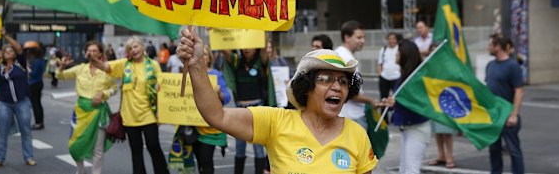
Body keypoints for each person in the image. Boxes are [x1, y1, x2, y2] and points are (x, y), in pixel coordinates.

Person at [177, 26, 378, 173]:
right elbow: (216, 116)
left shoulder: (357, 135)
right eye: (325, 79)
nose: (336, 86)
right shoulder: (276, 121)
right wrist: (196, 66)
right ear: (307, 87)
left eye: (343, 81)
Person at [90, 36, 169, 174]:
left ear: (142, 47)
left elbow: (163, 87)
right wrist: (92, 59)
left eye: (136, 46)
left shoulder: (153, 65)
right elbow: (105, 66)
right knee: (136, 152)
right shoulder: (124, 64)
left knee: (153, 146)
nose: (133, 50)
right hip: (129, 117)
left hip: (149, 114)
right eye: (130, 48)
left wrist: (160, 95)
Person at [56, 41, 117, 174]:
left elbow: (114, 88)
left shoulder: (107, 70)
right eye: (89, 50)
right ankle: (80, 170)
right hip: (81, 112)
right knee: (75, 145)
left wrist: (104, 93)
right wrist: (62, 66)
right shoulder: (80, 69)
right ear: (85, 53)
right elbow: (60, 76)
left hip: (98, 112)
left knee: (97, 149)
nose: (92, 53)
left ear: (100, 53)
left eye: (95, 50)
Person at [220, 38, 273, 174]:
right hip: (240, 109)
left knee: (258, 147)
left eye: (250, 46)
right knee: (239, 146)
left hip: (257, 109)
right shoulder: (237, 61)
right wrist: (215, 32)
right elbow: (223, 50)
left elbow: (264, 48)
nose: (246, 49)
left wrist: (264, 31)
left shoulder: (260, 62)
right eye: (244, 46)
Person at [381, 40, 430, 174]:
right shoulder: (404, 77)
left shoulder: (416, 79)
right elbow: (400, 100)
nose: (395, 54)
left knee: (411, 170)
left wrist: (396, 103)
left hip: (417, 129)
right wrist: (391, 103)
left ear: (405, 55)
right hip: (407, 129)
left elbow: (417, 104)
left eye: (398, 52)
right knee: (404, 169)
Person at [0, 28, 36, 168]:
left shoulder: (20, 64)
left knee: (25, 130)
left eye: (11, 51)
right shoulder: (0, 67)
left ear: (15, 54)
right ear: (2, 54)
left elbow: (18, 47)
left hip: (22, 102)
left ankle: (29, 157)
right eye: (6, 51)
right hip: (5, 103)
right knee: (2, 131)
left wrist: (5, 36)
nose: (9, 52)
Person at [486, 35, 525, 174]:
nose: (488, 47)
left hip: (508, 116)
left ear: (498, 47)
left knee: (514, 151)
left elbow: (519, 91)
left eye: (490, 45)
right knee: (494, 150)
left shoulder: (512, 66)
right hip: (494, 116)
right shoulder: (490, 65)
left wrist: (514, 115)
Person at [335, 20, 381, 129]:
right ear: (347, 37)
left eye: (363, 37)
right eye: (359, 37)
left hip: (342, 114)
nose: (363, 41)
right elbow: (353, 94)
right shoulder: (348, 60)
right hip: (353, 116)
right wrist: (372, 101)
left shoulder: (337, 53)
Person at [193, 45, 231, 174]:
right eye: (199, 54)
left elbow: (227, 97)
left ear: (209, 58)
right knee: (200, 161)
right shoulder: (191, 74)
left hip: (210, 129)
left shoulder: (216, 75)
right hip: (193, 126)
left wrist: (220, 94)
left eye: (204, 54)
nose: (201, 57)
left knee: (206, 161)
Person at [427, 43, 457, 169]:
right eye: (432, 51)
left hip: (446, 101)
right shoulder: (428, 66)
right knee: (437, 131)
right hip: (433, 101)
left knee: (447, 131)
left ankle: (449, 156)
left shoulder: (448, 66)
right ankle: (441, 155)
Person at [25, 40, 46, 130]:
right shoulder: (41, 60)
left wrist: (28, 68)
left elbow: (33, 73)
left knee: (35, 104)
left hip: (34, 83)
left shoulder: (37, 62)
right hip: (38, 82)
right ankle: (39, 122)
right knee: (37, 103)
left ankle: (38, 122)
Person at [376, 32, 401, 99]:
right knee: (383, 98)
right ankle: (384, 109)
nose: (391, 40)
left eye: (393, 39)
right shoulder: (383, 50)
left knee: (396, 98)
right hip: (384, 77)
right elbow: (379, 63)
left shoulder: (400, 49)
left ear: (396, 40)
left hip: (396, 77)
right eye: (389, 39)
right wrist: (380, 75)